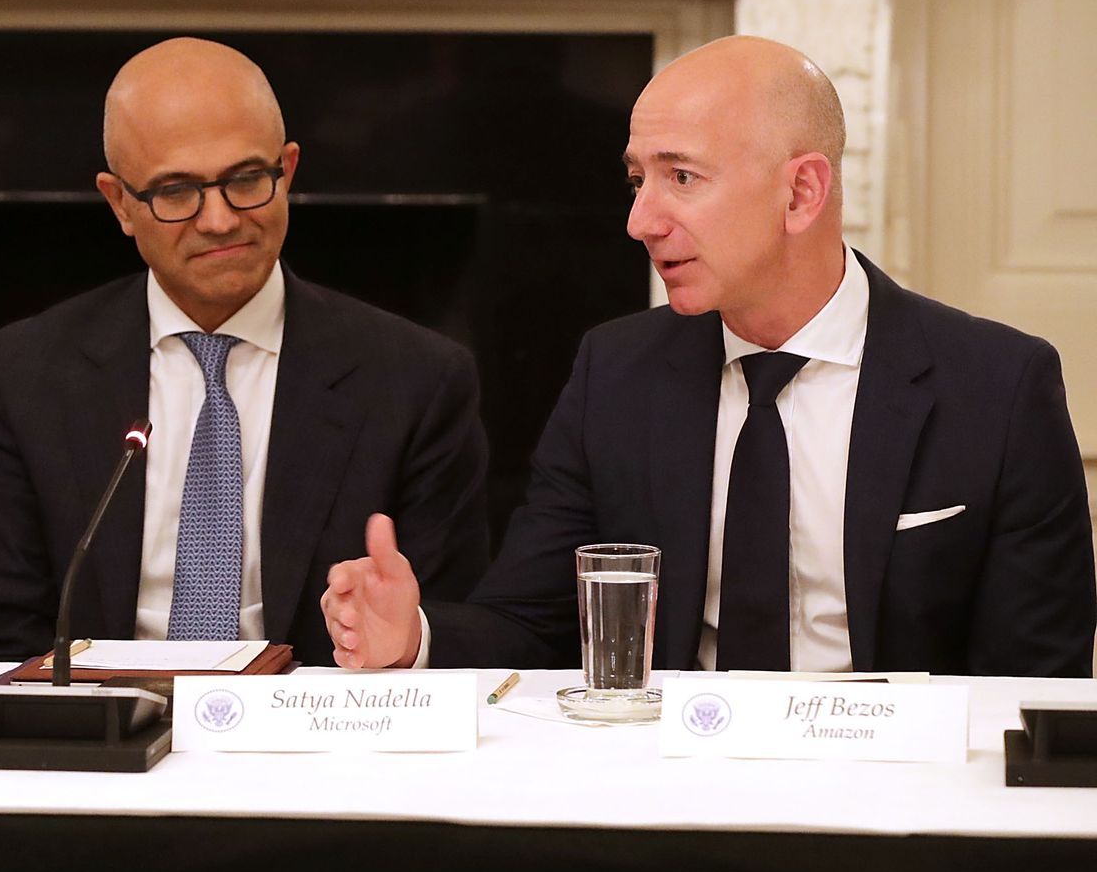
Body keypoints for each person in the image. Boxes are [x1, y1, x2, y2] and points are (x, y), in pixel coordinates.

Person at [324, 34, 1095, 676]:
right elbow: (533, 622)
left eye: (681, 177)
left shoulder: (997, 385)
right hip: (672, 792)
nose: (640, 221)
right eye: (637, 179)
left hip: (901, 803)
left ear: (801, 194)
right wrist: (416, 638)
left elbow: (1036, 676)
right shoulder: (615, 373)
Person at [0, 37, 490, 668]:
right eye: (176, 191)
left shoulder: (417, 380)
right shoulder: (27, 373)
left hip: (320, 735)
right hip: (98, 742)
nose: (219, 220)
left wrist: (402, 645)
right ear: (120, 203)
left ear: (287, 170)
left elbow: (451, 628)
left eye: (244, 181)